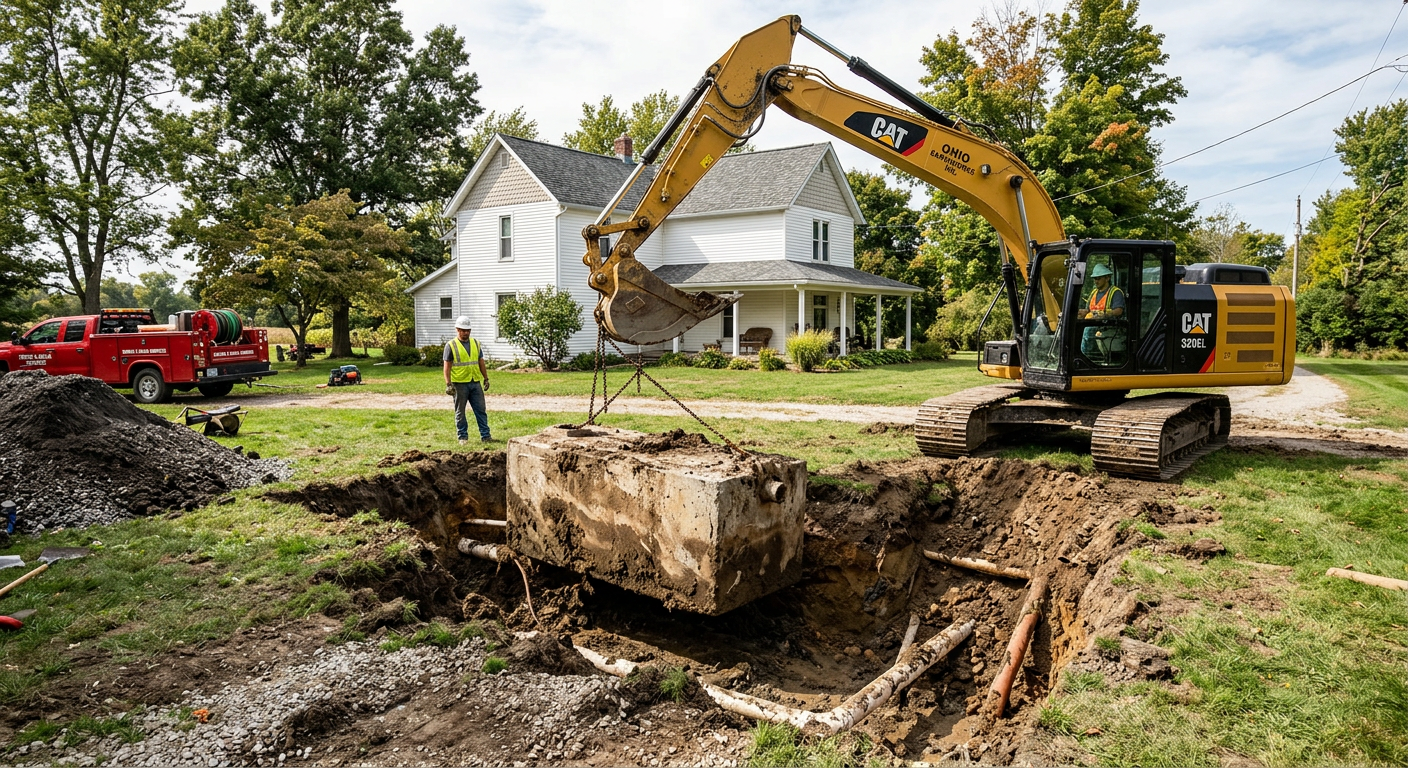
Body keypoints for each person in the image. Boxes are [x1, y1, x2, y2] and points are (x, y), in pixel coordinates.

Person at [443, 316, 492, 444]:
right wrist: (448, 384)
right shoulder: (451, 345)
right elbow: (447, 366)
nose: (465, 333)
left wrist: (485, 378)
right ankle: (462, 437)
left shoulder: (476, 343)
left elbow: (481, 362)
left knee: (481, 410)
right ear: (457, 330)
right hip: (459, 384)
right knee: (460, 412)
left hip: (475, 382)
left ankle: (485, 436)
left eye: (468, 330)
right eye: (463, 330)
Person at [1080, 264, 1126, 361]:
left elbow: (1119, 311)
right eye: (1095, 279)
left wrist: (1104, 314)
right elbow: (1088, 310)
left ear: (1107, 278)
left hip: (1110, 326)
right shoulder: (1094, 293)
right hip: (1093, 323)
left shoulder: (1115, 292)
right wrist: (1077, 312)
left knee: (1087, 330)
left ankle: (1085, 358)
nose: (1096, 281)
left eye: (1098, 278)